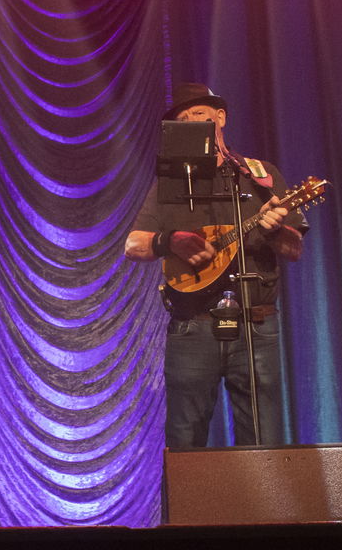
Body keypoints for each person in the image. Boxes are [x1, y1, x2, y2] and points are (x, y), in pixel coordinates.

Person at [124, 82, 307, 451]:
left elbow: (294, 248)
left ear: (220, 118)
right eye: (183, 119)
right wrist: (169, 240)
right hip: (193, 327)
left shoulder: (261, 175)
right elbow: (133, 245)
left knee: (263, 441)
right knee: (185, 442)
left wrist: (273, 232)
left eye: (199, 114)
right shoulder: (171, 183)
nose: (192, 122)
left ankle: (261, 511)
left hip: (256, 326)